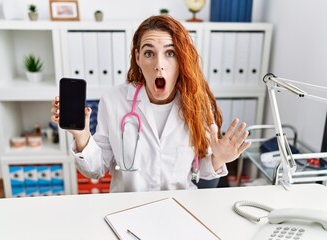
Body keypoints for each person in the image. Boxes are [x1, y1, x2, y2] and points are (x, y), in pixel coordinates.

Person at [51, 15, 251, 192]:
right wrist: (82, 136)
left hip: (179, 209)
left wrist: (219, 159)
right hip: (128, 210)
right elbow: (95, 170)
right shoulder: (113, 101)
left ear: (182, 59)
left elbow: (202, 173)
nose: (159, 65)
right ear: (137, 57)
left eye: (170, 53)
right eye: (149, 53)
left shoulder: (198, 103)